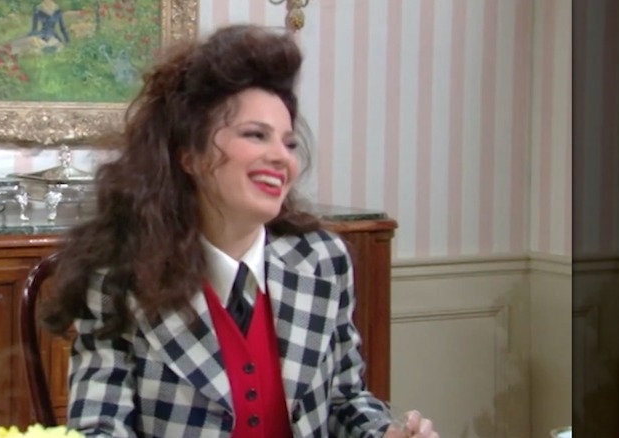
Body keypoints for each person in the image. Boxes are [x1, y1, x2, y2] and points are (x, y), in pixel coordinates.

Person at [41, 24, 438, 438]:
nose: (280, 158)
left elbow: (344, 400)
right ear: (189, 156)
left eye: (288, 144)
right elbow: (99, 427)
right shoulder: (120, 275)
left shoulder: (323, 260)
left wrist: (384, 433)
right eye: (255, 135)